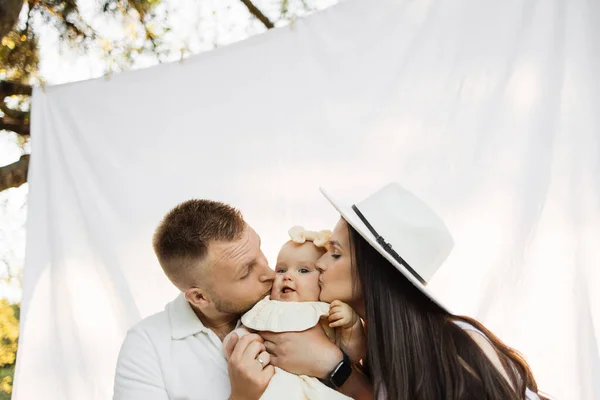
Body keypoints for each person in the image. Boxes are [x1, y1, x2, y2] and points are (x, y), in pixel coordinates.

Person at [261, 182, 548, 400]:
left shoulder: (457, 347)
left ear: (373, 272)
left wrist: (335, 367)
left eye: (334, 254)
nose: (319, 264)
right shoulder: (376, 346)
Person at [113, 200, 370, 400]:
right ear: (200, 297)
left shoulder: (302, 304)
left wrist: (332, 363)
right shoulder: (148, 347)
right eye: (247, 271)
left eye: (261, 252)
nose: (270, 274)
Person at [223, 227, 366, 400]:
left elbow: (353, 354)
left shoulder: (326, 312)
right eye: (281, 270)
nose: (287, 276)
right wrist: (236, 342)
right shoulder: (266, 308)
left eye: (303, 271)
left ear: (321, 280)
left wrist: (351, 325)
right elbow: (248, 332)